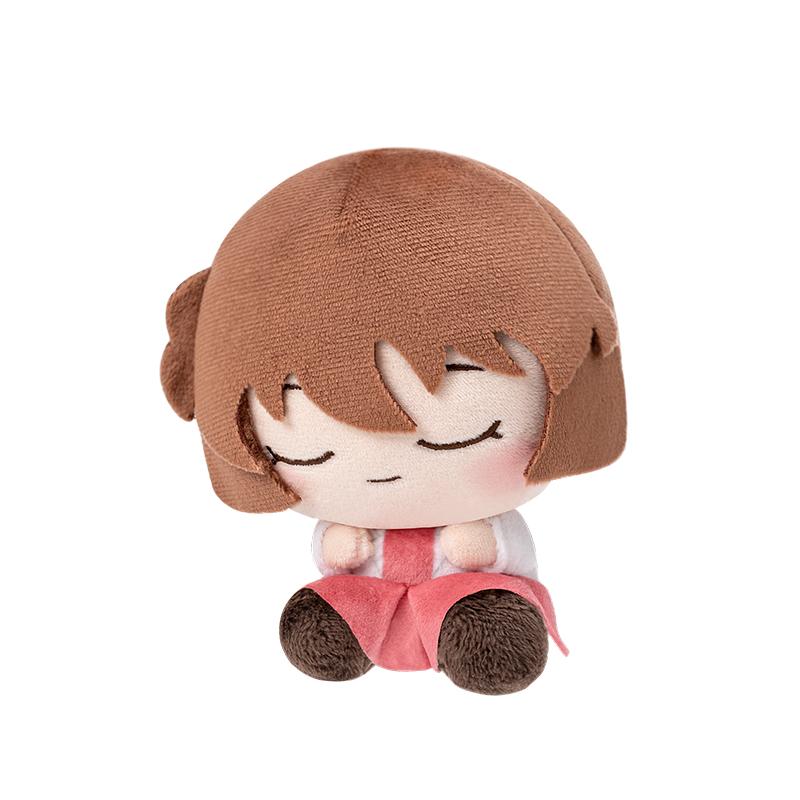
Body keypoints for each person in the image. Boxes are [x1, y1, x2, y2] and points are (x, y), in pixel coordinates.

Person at [161, 148, 626, 694]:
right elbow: (330, 552)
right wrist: (338, 546)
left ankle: (476, 635)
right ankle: (344, 631)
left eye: (455, 437)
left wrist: (481, 546)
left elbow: (508, 549)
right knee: (334, 599)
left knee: (485, 606)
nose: (383, 466)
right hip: (372, 595)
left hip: (464, 590)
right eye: (313, 451)